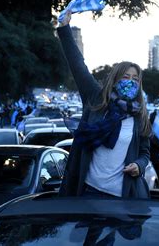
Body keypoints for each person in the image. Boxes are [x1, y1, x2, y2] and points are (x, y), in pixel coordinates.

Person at [56, 11, 151, 199]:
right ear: (115, 79)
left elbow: (145, 153)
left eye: (135, 79)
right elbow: (78, 66)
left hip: (123, 197)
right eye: (125, 77)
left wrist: (138, 166)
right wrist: (65, 29)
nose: (130, 82)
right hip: (88, 193)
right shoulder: (96, 100)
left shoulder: (140, 116)